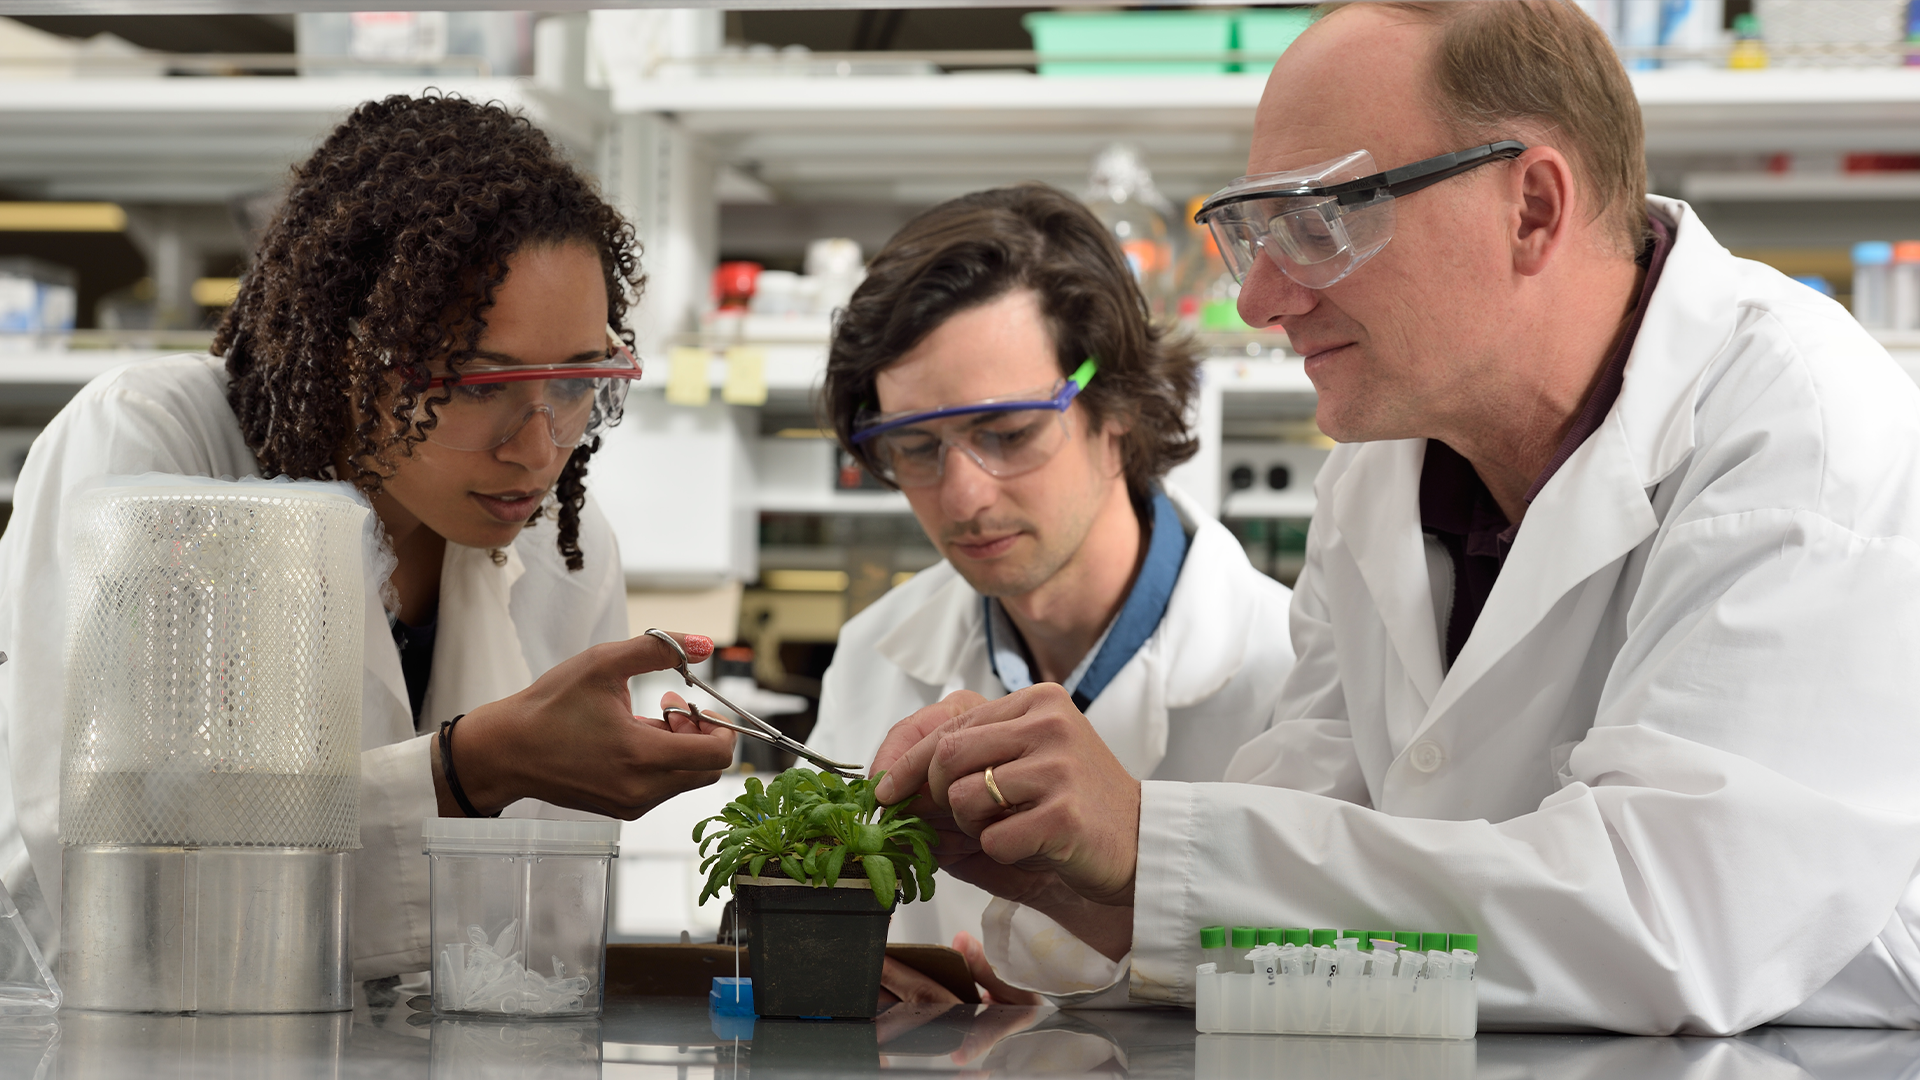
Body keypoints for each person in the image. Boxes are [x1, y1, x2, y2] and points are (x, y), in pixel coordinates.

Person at [865, 0, 1920, 1033]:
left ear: (1534, 209)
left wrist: (1148, 839)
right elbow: (1301, 871)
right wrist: (1064, 873)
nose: (1261, 297)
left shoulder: (1800, 428)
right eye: (1255, 232)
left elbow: (1681, 914)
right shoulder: (1376, 477)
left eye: (1320, 222)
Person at [0, 94, 736, 976]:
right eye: (474, 384)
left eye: (579, 383)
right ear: (347, 351)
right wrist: (469, 772)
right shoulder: (155, 450)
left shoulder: (561, 548)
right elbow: (120, 892)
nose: (537, 448)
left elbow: (536, 948)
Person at [807, 184, 1295, 998]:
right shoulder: (874, 654)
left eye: (1008, 433)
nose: (964, 496)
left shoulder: (1288, 668)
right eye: (915, 447)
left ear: (1117, 410)